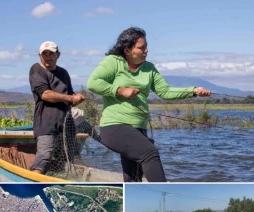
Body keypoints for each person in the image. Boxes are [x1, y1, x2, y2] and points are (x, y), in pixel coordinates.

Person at [87, 27, 211, 183]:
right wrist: (120, 90)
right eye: (141, 48)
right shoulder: (113, 62)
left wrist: (193, 91)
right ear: (127, 50)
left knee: (133, 177)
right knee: (150, 154)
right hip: (115, 127)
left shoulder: (149, 68)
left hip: (139, 128)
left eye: (146, 47)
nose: (146, 50)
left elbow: (165, 91)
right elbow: (93, 83)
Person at [29, 41, 85, 174]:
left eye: (51, 54)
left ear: (58, 55)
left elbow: (70, 95)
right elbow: (46, 94)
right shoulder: (36, 69)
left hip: (66, 123)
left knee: (66, 160)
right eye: (45, 54)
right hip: (46, 122)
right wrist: (71, 98)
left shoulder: (63, 73)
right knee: (43, 158)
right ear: (40, 56)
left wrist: (77, 98)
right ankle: (33, 181)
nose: (48, 56)